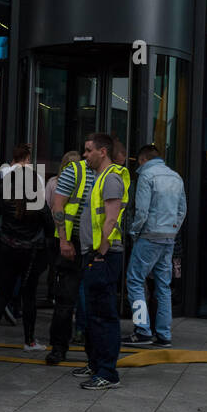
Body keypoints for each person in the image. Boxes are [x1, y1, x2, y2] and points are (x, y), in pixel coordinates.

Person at [71, 133, 128, 391]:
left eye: (88, 150)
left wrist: (100, 253)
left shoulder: (111, 179)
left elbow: (111, 219)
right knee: (93, 315)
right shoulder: (98, 178)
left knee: (104, 316)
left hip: (103, 257)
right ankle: (96, 365)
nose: (85, 155)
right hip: (93, 255)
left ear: (102, 152)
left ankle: (108, 372)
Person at [0, 143, 51, 352]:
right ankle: (29, 341)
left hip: (7, 247)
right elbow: (48, 223)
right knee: (28, 295)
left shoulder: (2, 197)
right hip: (30, 251)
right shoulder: (35, 199)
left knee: (2, 291)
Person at [124, 145, 186, 348]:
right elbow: (182, 210)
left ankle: (142, 330)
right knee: (163, 286)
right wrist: (172, 230)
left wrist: (134, 232)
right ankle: (164, 334)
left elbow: (141, 210)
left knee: (134, 280)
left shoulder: (146, 176)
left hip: (149, 235)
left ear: (142, 160)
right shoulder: (175, 176)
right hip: (168, 236)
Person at [46, 150, 87, 365]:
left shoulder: (108, 175)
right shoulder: (73, 175)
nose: (86, 155)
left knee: (80, 300)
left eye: (89, 151)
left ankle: (72, 345)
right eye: (85, 151)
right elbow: (56, 206)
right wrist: (64, 240)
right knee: (65, 301)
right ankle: (59, 347)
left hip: (92, 247)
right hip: (72, 244)